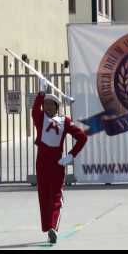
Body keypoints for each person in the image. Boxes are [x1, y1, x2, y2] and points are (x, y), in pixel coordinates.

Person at [32, 77, 87, 244]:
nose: (46, 106)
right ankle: (48, 226)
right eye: (45, 104)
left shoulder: (65, 121)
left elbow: (82, 137)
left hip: (57, 163)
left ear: (56, 107)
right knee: (44, 196)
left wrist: (71, 155)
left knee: (56, 196)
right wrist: (41, 93)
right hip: (42, 163)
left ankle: (53, 227)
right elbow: (34, 110)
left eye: (50, 104)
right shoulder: (40, 119)